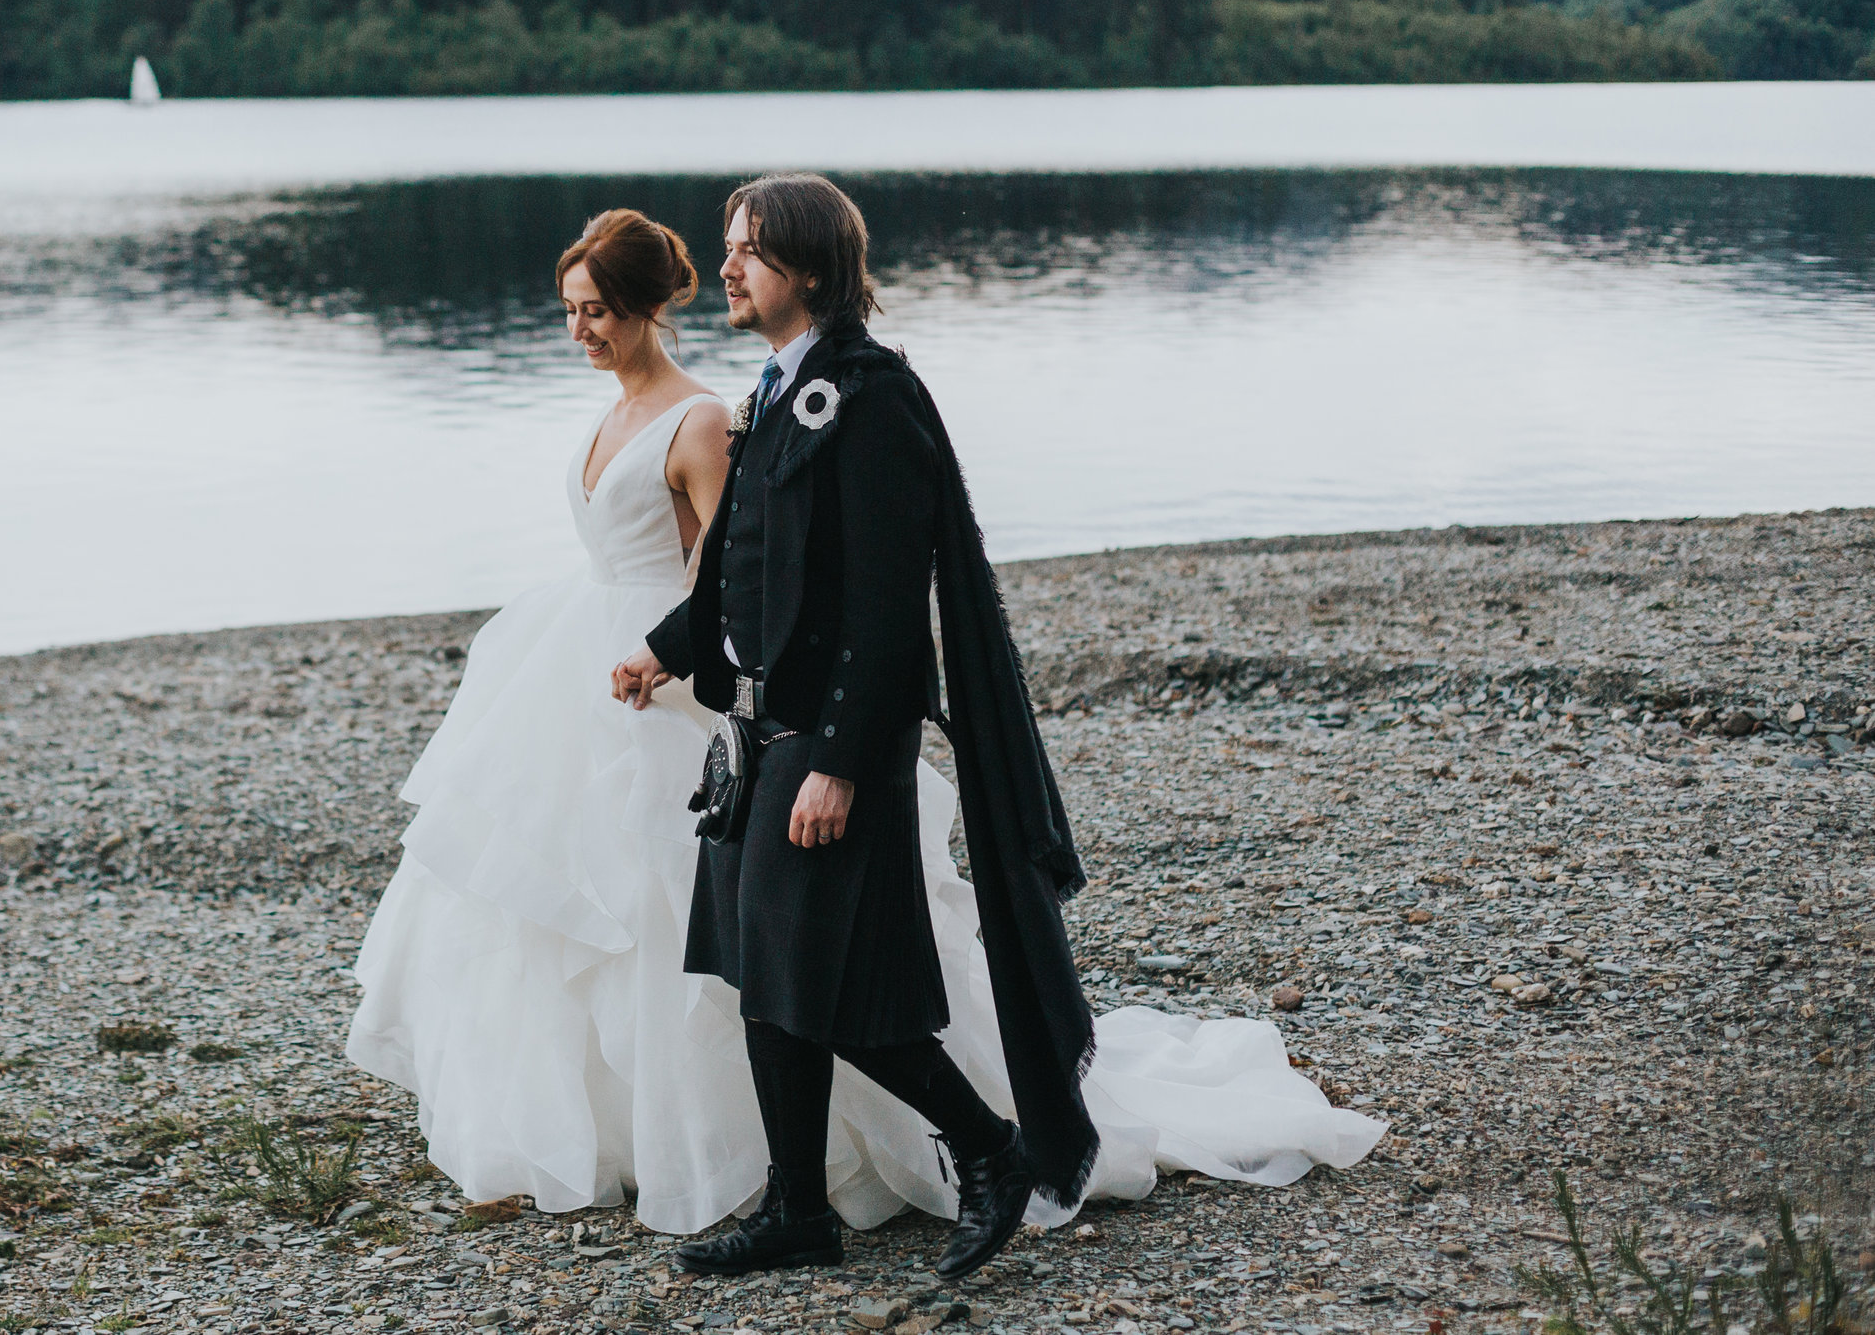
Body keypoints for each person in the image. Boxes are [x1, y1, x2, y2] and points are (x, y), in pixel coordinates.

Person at [352, 195, 1382, 1247]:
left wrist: (839, 763)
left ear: (808, 265)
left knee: (818, 978)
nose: (730, 268)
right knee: (759, 970)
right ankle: (798, 1206)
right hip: (755, 731)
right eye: (731, 249)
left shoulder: (871, 394)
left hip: (829, 741)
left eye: (751, 250)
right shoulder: (769, 394)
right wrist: (669, 647)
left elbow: (891, 605)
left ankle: (989, 1147)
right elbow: (734, 571)